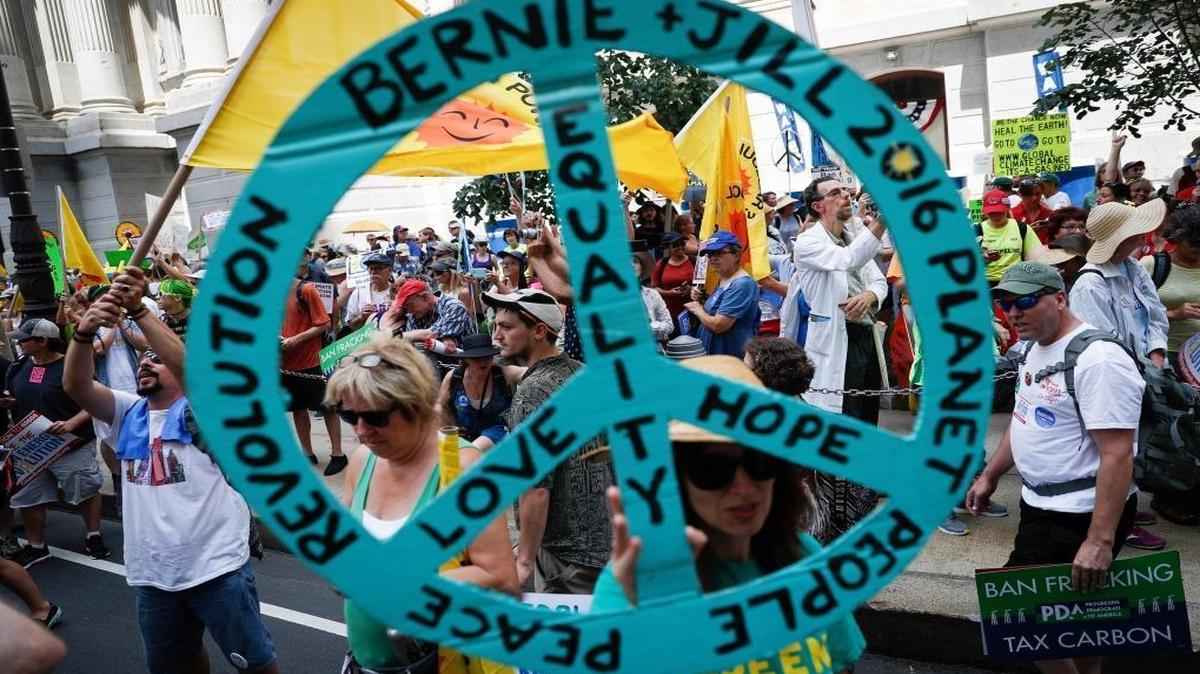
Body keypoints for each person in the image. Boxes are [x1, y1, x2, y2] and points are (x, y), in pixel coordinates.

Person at [596, 355, 865, 674]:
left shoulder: (804, 556)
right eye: (713, 470)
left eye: (759, 462)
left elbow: (841, 663)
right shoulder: (632, 585)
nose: (743, 486)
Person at [64, 287, 279, 674]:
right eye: (142, 361)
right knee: (177, 663)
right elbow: (76, 386)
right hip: (152, 574)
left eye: (156, 361)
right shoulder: (127, 411)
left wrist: (137, 310)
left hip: (216, 567)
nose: (146, 365)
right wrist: (82, 335)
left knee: (255, 663)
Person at [967, 261, 1141, 674]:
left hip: (1078, 513)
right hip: (1041, 505)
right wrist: (991, 474)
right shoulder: (1034, 347)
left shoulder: (1098, 360)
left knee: (1019, 616)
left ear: (1060, 299)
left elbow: (1118, 454)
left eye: (1026, 301)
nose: (1013, 312)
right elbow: (1024, 416)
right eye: (1005, 303)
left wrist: (1099, 540)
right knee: (1080, 618)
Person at [327, 334, 518, 673]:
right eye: (348, 416)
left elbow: (501, 578)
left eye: (375, 417)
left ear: (415, 405)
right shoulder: (362, 461)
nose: (360, 431)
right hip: (363, 662)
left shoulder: (462, 468)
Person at [484, 288, 613, 593]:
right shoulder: (580, 372)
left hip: (566, 556)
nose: (496, 335)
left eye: (506, 327)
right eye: (495, 325)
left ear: (539, 331)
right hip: (604, 541)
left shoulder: (532, 393)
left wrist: (525, 561)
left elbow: (536, 488)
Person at [1070, 199, 1170, 551]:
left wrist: (1156, 351)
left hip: (1144, 373)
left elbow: (1155, 313)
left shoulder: (1133, 268)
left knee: (1132, 449)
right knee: (1114, 452)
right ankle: (1117, 520)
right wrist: (1139, 369)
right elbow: (1102, 346)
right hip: (1114, 381)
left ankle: (1125, 505)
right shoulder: (1090, 286)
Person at [4, 318, 105, 567]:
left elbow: (96, 399)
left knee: (84, 490)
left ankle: (94, 535)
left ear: (43, 341)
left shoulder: (71, 367)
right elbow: (16, 395)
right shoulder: (19, 366)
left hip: (71, 444)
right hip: (31, 448)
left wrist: (71, 423)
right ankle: (37, 546)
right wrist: (9, 402)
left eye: (24, 340)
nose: (19, 344)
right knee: (28, 495)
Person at [789, 178, 888, 421]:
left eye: (845, 189)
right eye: (835, 192)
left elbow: (879, 281)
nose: (845, 195)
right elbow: (848, 260)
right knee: (846, 416)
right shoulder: (808, 242)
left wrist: (870, 295)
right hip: (838, 337)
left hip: (866, 337)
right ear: (817, 206)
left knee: (867, 413)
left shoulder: (854, 235)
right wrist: (884, 218)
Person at [1139, 204, 1200, 525]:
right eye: (1194, 244)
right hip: (1165, 360)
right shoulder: (1154, 265)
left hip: (1198, 362)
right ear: (1177, 239)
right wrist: (1174, 314)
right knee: (1174, 430)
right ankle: (1170, 493)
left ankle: (1191, 493)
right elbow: (1132, 313)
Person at [281, 253, 346, 476]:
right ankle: (307, 453)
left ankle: (338, 454)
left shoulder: (306, 290)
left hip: (312, 362)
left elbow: (324, 323)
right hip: (287, 366)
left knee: (327, 408)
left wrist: (294, 340)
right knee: (298, 409)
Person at [437, 333, 524, 452]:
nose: (483, 362)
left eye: (487, 357)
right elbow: (441, 407)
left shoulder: (502, 373)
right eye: (477, 358)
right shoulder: (454, 378)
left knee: (476, 447)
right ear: (466, 359)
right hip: (463, 434)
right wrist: (445, 436)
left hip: (499, 431)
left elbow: (530, 372)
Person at [684, 231, 760, 359]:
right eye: (710, 254)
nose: (712, 258)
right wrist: (702, 298)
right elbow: (717, 308)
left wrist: (697, 309)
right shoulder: (724, 278)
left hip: (731, 356)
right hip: (717, 355)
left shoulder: (742, 284)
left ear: (736, 255)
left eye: (719, 253)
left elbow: (718, 325)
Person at [385, 279, 476, 353]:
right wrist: (444, 336)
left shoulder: (454, 306)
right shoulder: (415, 314)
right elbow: (414, 339)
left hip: (468, 362)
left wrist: (396, 336)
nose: (409, 311)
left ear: (424, 297)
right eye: (406, 308)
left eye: (410, 305)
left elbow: (430, 334)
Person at [977, 189, 1042, 284]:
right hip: (985, 283)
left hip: (1016, 281)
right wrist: (982, 258)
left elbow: (1037, 257)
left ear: (1007, 208)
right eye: (991, 212)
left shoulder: (1022, 228)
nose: (995, 216)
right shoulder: (976, 230)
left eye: (999, 212)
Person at [651, 232, 695, 332]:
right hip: (669, 315)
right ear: (668, 248)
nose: (680, 247)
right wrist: (669, 293)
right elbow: (653, 288)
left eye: (682, 243)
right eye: (675, 245)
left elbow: (704, 286)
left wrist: (691, 289)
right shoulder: (661, 264)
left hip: (692, 313)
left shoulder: (694, 261)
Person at [344, 252, 393, 331]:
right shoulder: (359, 293)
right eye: (371, 268)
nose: (374, 272)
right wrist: (361, 316)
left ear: (390, 270)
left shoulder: (396, 291)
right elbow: (351, 325)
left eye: (379, 268)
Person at [633, 255, 673, 342]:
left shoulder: (653, 294)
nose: (631, 265)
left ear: (642, 267)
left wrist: (652, 327)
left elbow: (669, 326)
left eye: (635, 261)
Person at [1011, 177, 1057, 243]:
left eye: (1037, 194)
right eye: (1029, 194)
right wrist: (1027, 232)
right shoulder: (1011, 214)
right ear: (1020, 194)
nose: (1034, 198)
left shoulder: (1050, 214)